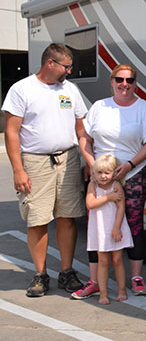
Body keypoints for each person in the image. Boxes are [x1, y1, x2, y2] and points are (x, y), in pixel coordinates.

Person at [2, 43, 86, 297]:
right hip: (35, 162)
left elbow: (81, 128)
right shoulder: (22, 89)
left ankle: (67, 272)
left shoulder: (70, 90)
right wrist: (18, 170)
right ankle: (40, 275)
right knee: (38, 219)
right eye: (66, 66)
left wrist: (88, 160)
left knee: (67, 217)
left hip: (68, 159)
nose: (69, 71)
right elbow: (12, 132)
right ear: (50, 63)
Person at [74, 63, 146, 299]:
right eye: (120, 80)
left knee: (134, 224)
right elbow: (85, 138)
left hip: (133, 173)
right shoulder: (100, 107)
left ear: (135, 83)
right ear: (112, 81)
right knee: (97, 225)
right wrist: (92, 164)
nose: (125, 84)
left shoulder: (144, 108)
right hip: (102, 177)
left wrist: (130, 165)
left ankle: (136, 277)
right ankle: (94, 281)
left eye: (130, 80)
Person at [85, 154, 130, 304]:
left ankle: (121, 290)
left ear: (114, 173)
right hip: (99, 227)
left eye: (107, 173)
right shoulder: (93, 186)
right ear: (94, 173)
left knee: (117, 259)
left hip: (114, 226)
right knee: (103, 261)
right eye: (99, 173)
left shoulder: (116, 185)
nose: (103, 176)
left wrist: (117, 228)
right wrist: (108, 198)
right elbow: (90, 204)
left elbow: (121, 206)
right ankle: (103, 294)